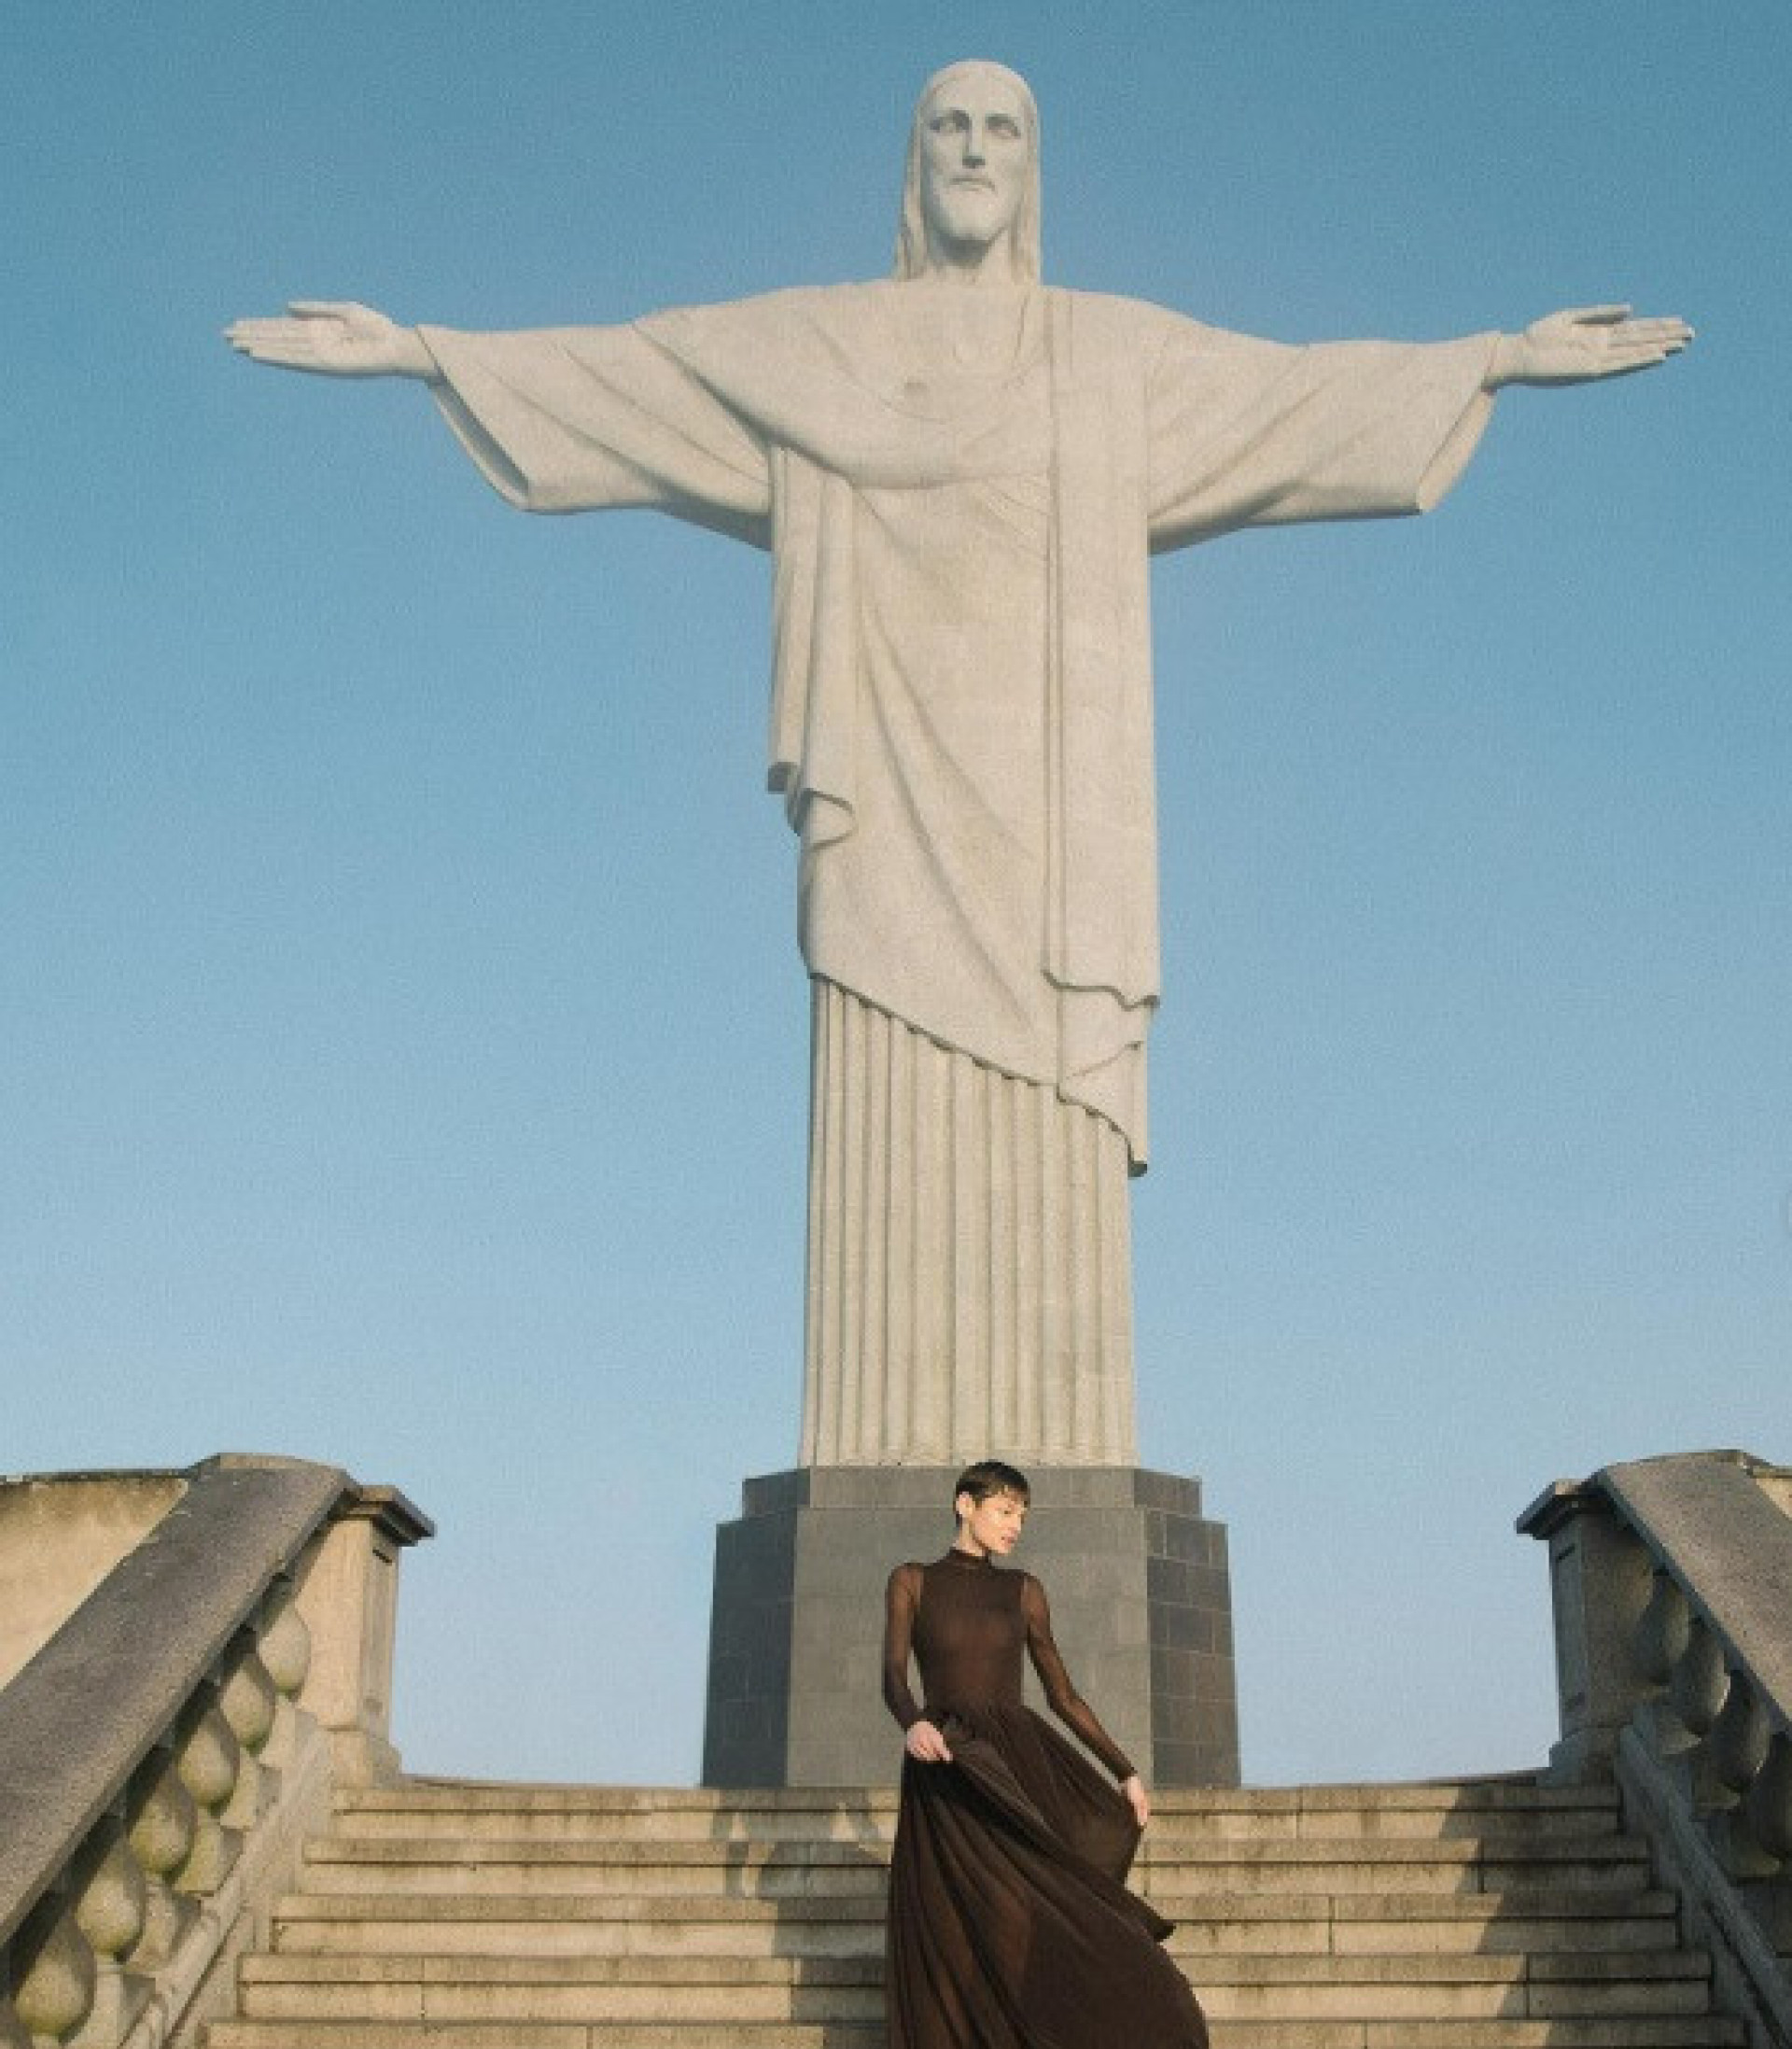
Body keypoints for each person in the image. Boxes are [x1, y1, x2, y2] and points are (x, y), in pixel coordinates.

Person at [226, 63, 1689, 1473]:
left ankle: (1051, 1450)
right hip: (889, 789)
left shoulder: (1108, 355)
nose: (977, 150)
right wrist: (426, 349)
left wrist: (1490, 357)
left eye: (1003, 128)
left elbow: (1293, 397)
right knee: (884, 1082)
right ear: (914, 166)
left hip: (1056, 813)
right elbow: (641, 371)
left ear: (1032, 167)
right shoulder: (822, 347)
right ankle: (880, 1441)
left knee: (1050, 1097)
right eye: (949, 128)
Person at [880, 1460, 1236, 2049]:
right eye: (1005, 1510)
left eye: (1022, 1515)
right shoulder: (912, 1580)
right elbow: (891, 1674)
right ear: (966, 1505)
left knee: (1030, 1930)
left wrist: (1124, 1769)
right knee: (951, 1941)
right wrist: (914, 1723)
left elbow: (1063, 1694)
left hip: (1014, 1768)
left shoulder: (1024, 1592)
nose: (1014, 1524)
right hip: (947, 1769)